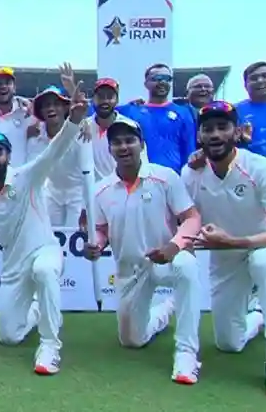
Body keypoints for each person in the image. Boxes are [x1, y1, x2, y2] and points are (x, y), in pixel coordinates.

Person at [0, 83, 88, 375]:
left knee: (44, 271)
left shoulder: (27, 177)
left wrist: (74, 120)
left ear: (8, 155)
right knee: (9, 336)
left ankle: (50, 346)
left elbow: (53, 152)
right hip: (14, 269)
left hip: (45, 252)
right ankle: (39, 308)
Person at [181, 101, 266, 400]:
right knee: (229, 344)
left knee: (263, 262)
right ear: (199, 136)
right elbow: (187, 221)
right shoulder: (191, 174)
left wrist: (232, 241)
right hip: (226, 257)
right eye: (208, 129)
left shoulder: (261, 168)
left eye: (223, 127)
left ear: (237, 132)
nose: (215, 134)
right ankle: (258, 314)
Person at [83, 118, 203, 384]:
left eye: (130, 141)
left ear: (142, 144)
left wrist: (174, 246)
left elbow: (192, 218)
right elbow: (101, 230)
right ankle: (165, 311)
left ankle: (186, 352)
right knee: (131, 340)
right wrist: (96, 245)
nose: (124, 147)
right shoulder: (100, 190)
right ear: (109, 149)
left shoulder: (165, 177)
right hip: (132, 269)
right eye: (117, 142)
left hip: (168, 259)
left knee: (186, 266)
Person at [119, 63, 196, 173]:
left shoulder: (183, 113)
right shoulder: (131, 111)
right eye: (157, 78)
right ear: (146, 84)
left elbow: (189, 150)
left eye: (167, 79)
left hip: (174, 177)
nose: (162, 82)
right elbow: (101, 110)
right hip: (141, 176)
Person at [26, 86, 84, 227]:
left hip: (78, 194)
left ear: (65, 108)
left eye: (56, 104)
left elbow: (88, 172)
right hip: (52, 194)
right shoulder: (35, 139)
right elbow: (32, 173)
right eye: (46, 105)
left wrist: (86, 206)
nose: (51, 109)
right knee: (51, 233)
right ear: (41, 111)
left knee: (75, 234)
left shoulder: (81, 134)